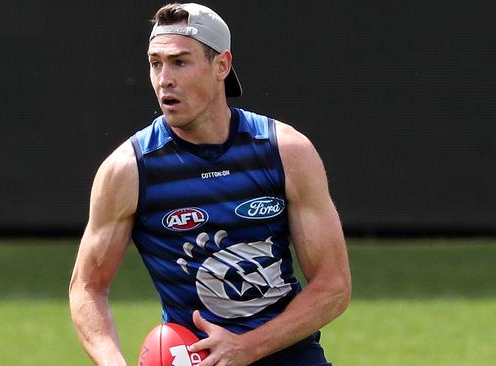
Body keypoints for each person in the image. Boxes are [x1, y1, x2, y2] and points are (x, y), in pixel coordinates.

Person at [69, 3, 351, 365]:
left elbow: (333, 286)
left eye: (180, 62)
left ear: (221, 66)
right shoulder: (128, 169)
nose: (163, 79)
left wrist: (248, 348)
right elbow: (87, 287)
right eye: (156, 63)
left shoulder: (286, 151)